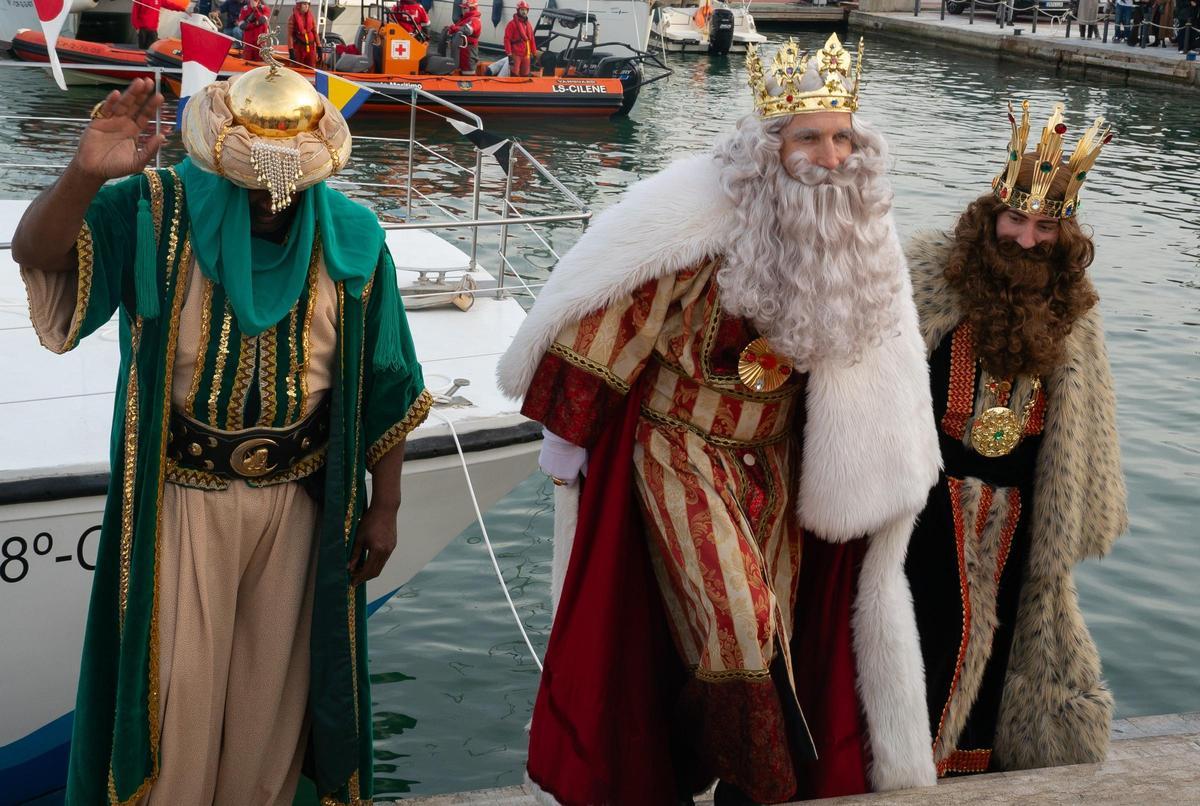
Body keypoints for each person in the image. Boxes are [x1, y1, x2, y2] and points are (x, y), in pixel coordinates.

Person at [499, 36, 941, 804]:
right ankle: (736, 780)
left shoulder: (860, 238)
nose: (829, 157)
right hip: (678, 447)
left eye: (843, 138)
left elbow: (873, 366)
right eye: (809, 137)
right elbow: (612, 315)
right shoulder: (695, 222)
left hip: (774, 460)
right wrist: (568, 435)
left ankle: (732, 788)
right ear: (772, 145)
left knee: (776, 633)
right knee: (738, 622)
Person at [11, 68, 430, 805]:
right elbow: (39, 252)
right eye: (258, 183)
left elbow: (388, 376)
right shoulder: (151, 212)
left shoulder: (354, 238)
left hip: (301, 508)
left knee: (272, 712)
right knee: (176, 707)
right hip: (180, 503)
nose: (275, 201)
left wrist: (386, 505)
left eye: (293, 184)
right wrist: (83, 173)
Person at [903, 101, 1126, 777]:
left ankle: (974, 772)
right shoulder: (925, 282)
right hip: (928, 498)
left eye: (1045, 226)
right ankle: (906, 768)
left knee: (1007, 650)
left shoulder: (1074, 310)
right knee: (930, 637)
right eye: (1016, 219)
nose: (1027, 239)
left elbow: (1088, 422)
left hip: (1024, 505)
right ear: (990, 216)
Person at [447, 0, 482, 75]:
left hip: (469, 51)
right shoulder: (465, 19)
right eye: (462, 8)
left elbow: (468, 30)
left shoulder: (475, 19)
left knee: (468, 72)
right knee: (460, 69)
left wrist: (455, 28)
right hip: (461, 51)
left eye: (465, 8)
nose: (462, 10)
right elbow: (459, 28)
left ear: (472, 8)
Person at [504, 0, 536, 77]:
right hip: (516, 53)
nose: (524, 12)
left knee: (525, 73)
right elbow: (507, 39)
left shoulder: (528, 25)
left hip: (526, 54)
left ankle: (524, 87)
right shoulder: (512, 24)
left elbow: (531, 39)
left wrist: (534, 53)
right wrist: (509, 53)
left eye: (525, 10)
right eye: (522, 10)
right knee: (514, 73)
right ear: (518, 10)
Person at [288, 0, 320, 67]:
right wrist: (291, 50)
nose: (306, 6)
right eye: (304, 4)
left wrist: (319, 47)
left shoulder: (311, 17)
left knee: (312, 67)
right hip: (299, 48)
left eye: (308, 4)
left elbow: (315, 32)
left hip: (311, 49)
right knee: (297, 67)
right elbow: (290, 35)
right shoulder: (292, 18)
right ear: (299, 5)